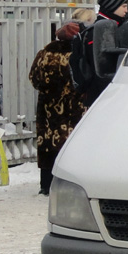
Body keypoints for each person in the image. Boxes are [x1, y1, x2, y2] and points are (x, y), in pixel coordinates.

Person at [28, 21, 86, 195]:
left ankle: (46, 183)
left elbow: (34, 78)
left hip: (48, 107)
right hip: (73, 107)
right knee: (70, 144)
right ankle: (69, 184)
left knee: (48, 143)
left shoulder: (44, 54)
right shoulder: (77, 55)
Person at [84, 0, 128, 106]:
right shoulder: (101, 30)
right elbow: (100, 65)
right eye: (123, 6)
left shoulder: (111, 26)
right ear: (112, 6)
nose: (126, 10)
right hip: (100, 94)